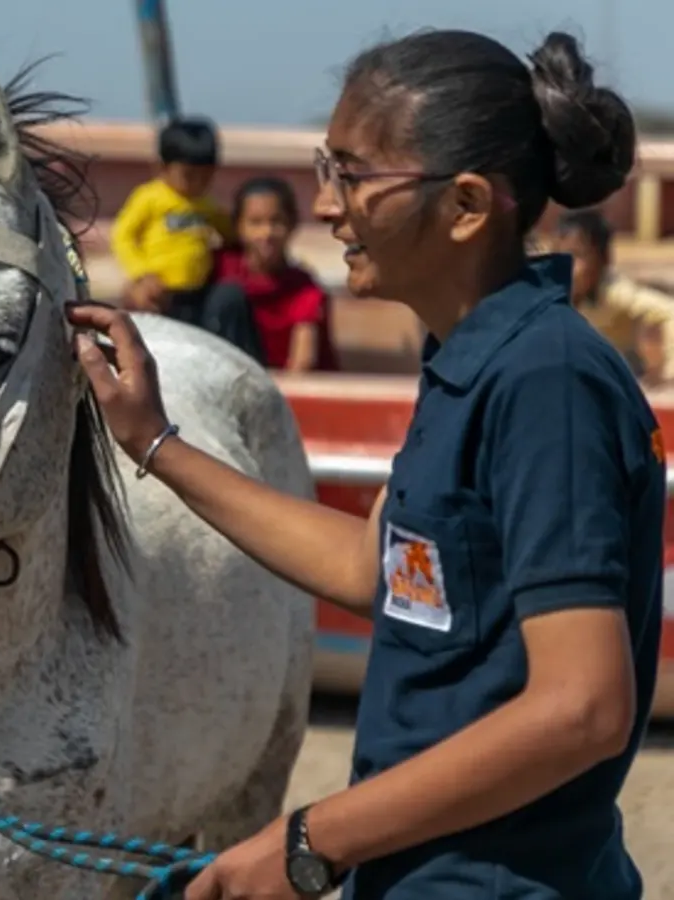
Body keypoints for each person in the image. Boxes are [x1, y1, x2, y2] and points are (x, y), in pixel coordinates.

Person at [70, 28, 659, 900]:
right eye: (324, 165)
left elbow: (583, 707)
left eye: (351, 173)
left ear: (464, 205)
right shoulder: (474, 359)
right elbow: (372, 566)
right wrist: (154, 443)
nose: (326, 205)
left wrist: (311, 840)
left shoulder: (547, 381)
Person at [109, 116, 266, 363]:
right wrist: (142, 273)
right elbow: (123, 236)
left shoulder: (206, 205)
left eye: (206, 176)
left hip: (198, 292)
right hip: (162, 293)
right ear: (162, 168)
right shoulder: (150, 198)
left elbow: (229, 233)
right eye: (189, 175)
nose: (198, 183)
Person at [215, 176, 339, 372]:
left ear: (292, 225)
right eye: (255, 223)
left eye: (276, 222)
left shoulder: (303, 288)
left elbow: (302, 365)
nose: (266, 233)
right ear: (238, 227)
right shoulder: (222, 269)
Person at [548, 207, 674, 386]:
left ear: (603, 260)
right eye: (558, 254)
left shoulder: (614, 293)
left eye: (577, 255)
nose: (567, 265)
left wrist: (669, 373)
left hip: (620, 369)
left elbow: (668, 311)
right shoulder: (552, 293)